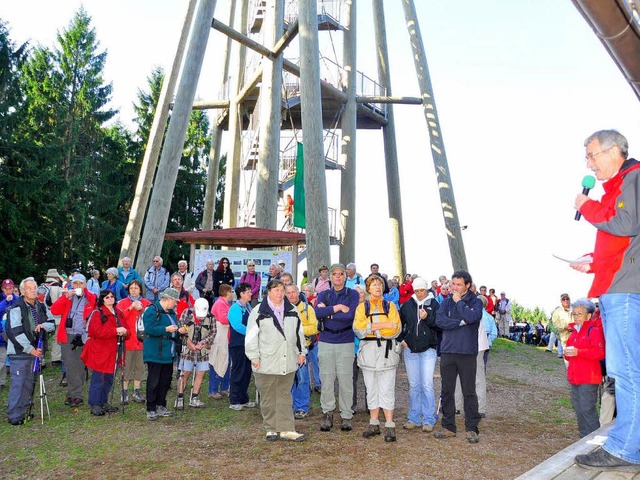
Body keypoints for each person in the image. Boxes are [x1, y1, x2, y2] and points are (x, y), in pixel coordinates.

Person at [572, 130, 640, 472]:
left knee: (625, 370)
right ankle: (630, 441)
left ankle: (627, 448)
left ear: (614, 151)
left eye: (591, 155)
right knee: (626, 370)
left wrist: (587, 207)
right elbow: (625, 244)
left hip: (626, 291)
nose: (588, 164)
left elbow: (627, 223)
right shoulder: (622, 184)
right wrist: (593, 261)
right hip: (618, 285)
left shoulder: (633, 177)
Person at [245, 279, 306, 441]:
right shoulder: (258, 311)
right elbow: (251, 337)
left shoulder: (292, 310)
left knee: (285, 395)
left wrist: (302, 352)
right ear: (268, 292)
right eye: (276, 290)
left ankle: (286, 429)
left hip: (288, 360)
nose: (280, 293)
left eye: (282, 290)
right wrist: (254, 356)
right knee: (268, 396)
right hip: (266, 360)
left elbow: (299, 333)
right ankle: (271, 428)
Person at [434, 270, 483, 444]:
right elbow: (439, 321)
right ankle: (448, 427)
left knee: (468, 391)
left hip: (467, 353)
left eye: (459, 284)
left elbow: (471, 317)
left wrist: (460, 303)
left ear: (467, 285)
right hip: (448, 351)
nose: (455, 288)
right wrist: (459, 322)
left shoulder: (475, 302)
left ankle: (472, 428)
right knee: (447, 390)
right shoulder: (445, 303)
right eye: (453, 284)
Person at [353, 275, 402, 442]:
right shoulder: (361, 308)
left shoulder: (391, 306)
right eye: (374, 284)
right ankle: (373, 423)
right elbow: (358, 329)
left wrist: (372, 328)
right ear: (368, 288)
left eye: (380, 284)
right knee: (371, 388)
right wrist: (383, 325)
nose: (377, 287)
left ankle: (389, 425)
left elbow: (395, 329)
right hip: (368, 354)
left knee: (387, 388)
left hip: (387, 355)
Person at [315, 263, 360, 432]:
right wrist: (338, 308)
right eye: (335, 274)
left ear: (345, 276)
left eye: (341, 274)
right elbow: (317, 314)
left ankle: (346, 415)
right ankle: (327, 412)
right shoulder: (324, 294)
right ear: (331, 277)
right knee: (326, 379)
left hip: (346, 340)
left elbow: (350, 316)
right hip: (326, 340)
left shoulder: (352, 294)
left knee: (346, 380)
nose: (338, 277)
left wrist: (329, 312)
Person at [5, 278, 54, 424]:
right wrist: (30, 349)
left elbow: (52, 324)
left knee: (29, 383)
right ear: (22, 291)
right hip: (20, 353)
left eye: (34, 287)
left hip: (35, 351)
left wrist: (44, 325)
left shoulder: (41, 306)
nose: (33, 290)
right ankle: (14, 415)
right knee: (18, 384)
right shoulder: (16, 308)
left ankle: (24, 410)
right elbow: (15, 331)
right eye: (29, 288)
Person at [398, 277, 439, 433]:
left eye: (422, 290)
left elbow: (439, 325)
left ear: (427, 289)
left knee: (427, 384)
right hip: (410, 349)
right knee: (414, 384)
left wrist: (427, 318)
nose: (420, 293)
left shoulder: (434, 304)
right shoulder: (407, 305)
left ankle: (428, 418)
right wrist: (402, 339)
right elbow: (399, 323)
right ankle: (414, 417)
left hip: (428, 349)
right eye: (417, 290)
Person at [51, 273, 97, 408]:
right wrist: (65, 297)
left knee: (80, 365)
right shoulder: (67, 297)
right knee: (70, 366)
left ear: (85, 285)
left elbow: (94, 316)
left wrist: (86, 336)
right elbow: (54, 311)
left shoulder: (91, 298)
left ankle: (74, 393)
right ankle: (75, 395)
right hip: (67, 335)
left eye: (80, 283)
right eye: (75, 283)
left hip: (84, 336)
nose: (77, 286)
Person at [81, 290, 129, 416]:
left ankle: (104, 401)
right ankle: (95, 403)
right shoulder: (98, 313)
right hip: (100, 351)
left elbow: (126, 329)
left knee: (109, 377)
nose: (110, 299)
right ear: (102, 299)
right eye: (107, 297)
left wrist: (125, 332)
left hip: (114, 350)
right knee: (99, 378)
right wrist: (115, 330)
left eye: (112, 296)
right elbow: (95, 331)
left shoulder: (118, 312)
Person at [564, 298, 605, 438]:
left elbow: (599, 353)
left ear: (588, 315)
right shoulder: (574, 332)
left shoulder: (593, 331)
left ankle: (595, 441)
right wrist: (568, 353)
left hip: (589, 378)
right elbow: (568, 356)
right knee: (579, 410)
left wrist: (578, 352)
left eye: (579, 314)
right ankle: (583, 440)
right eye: (574, 314)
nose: (576, 317)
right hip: (575, 377)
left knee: (588, 410)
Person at [142, 287, 180, 421]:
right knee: (154, 381)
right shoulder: (152, 310)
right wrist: (166, 329)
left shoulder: (171, 313)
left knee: (165, 381)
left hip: (168, 353)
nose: (176, 303)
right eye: (175, 301)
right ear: (168, 299)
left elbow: (173, 328)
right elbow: (149, 329)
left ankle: (161, 405)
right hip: (155, 352)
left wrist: (179, 331)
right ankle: (151, 408)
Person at [175, 297, 216, 409]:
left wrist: (202, 343)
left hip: (202, 352)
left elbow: (212, 333)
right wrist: (188, 342)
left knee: (200, 373)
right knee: (185, 373)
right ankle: (179, 397)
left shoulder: (211, 317)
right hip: (187, 351)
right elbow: (181, 329)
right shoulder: (186, 313)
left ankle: (195, 397)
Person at [286, 284, 318, 420]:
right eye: (289, 293)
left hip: (302, 350)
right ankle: (289, 406)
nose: (292, 295)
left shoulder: (307, 308)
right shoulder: (282, 309)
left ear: (298, 293)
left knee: (302, 378)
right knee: (288, 380)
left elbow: (314, 328)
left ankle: (301, 407)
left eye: (294, 292)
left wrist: (297, 329)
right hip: (286, 349)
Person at [117, 280, 150, 404]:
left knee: (139, 367)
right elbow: (119, 318)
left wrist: (142, 310)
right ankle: (124, 392)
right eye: (131, 288)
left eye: (136, 288)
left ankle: (137, 390)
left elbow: (151, 318)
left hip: (141, 341)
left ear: (140, 290)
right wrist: (130, 308)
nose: (134, 290)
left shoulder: (146, 303)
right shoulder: (123, 303)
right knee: (126, 366)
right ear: (128, 290)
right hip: (128, 340)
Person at [227, 283, 257, 411]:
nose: (251, 293)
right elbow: (237, 325)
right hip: (238, 344)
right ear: (241, 294)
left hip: (248, 344)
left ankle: (243, 398)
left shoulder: (249, 307)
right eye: (248, 291)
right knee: (238, 371)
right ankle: (234, 399)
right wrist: (252, 332)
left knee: (247, 372)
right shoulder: (235, 308)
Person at [209, 284, 232, 399]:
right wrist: (233, 318)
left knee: (225, 361)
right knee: (217, 361)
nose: (232, 294)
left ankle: (224, 387)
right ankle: (213, 389)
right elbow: (223, 319)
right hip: (219, 336)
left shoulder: (224, 303)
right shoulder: (220, 303)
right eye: (231, 291)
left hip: (224, 336)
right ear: (227, 292)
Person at [0, 279, 19, 389]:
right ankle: (1, 381)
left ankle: (16, 378)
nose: (8, 291)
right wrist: (5, 302)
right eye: (6, 289)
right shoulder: (1, 300)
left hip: (15, 333)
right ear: (2, 289)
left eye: (10, 288)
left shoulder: (17, 299)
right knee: (2, 359)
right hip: (2, 334)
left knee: (15, 357)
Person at [547, 294, 572, 360]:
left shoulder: (575, 309)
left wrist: (574, 327)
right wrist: (564, 327)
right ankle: (559, 353)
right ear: (561, 301)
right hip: (564, 338)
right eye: (563, 299)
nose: (566, 300)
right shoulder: (557, 312)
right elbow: (555, 323)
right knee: (568, 360)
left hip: (577, 338)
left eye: (567, 299)